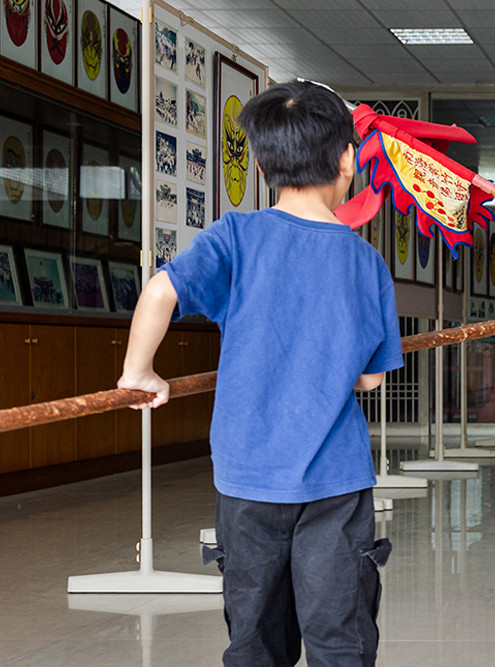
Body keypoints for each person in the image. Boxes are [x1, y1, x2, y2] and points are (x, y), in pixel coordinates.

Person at [117, 80, 403, 666]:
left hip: (246, 480)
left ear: (266, 164)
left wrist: (139, 372)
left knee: (254, 640)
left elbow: (160, 290)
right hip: (335, 482)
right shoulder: (364, 262)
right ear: (348, 159)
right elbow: (370, 379)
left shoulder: (235, 236)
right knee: (340, 636)